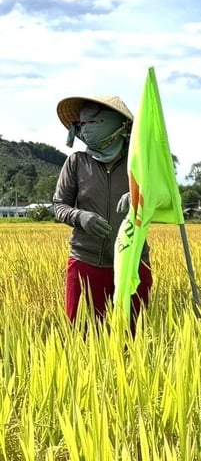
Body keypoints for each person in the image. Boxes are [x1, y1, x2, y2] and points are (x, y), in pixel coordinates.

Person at [51, 94, 152, 326]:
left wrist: (140, 197)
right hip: (86, 261)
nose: (85, 130)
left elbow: (163, 200)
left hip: (132, 262)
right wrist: (80, 216)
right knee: (83, 334)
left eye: (92, 123)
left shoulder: (138, 163)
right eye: (82, 124)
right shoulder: (77, 162)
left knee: (132, 334)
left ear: (115, 124)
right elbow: (59, 205)